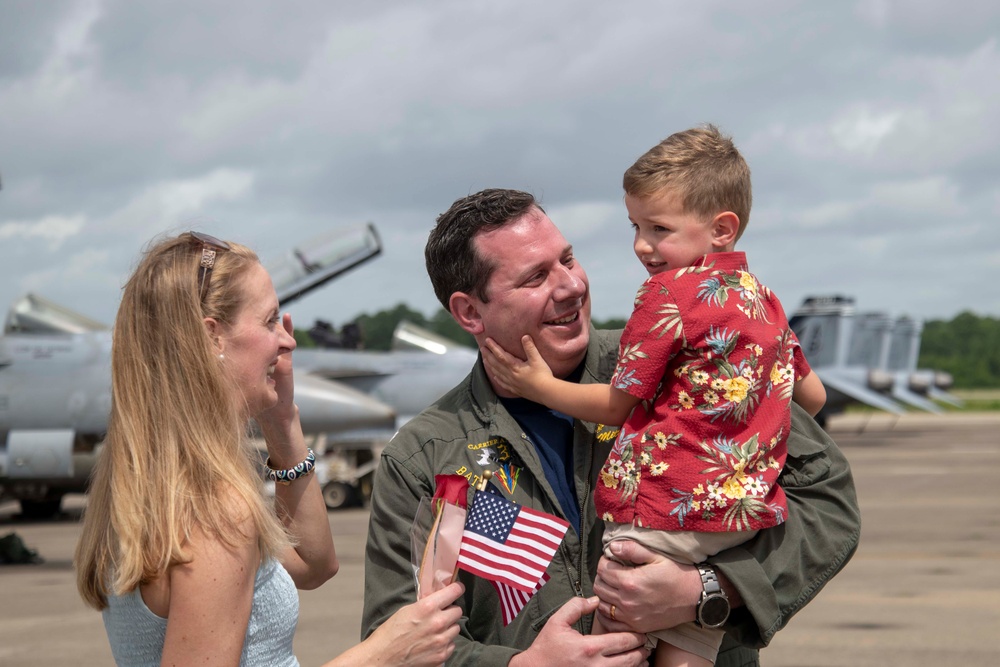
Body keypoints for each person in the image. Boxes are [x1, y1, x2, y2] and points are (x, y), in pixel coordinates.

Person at [361, 188, 861, 667]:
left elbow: (828, 506)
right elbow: (393, 638)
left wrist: (707, 589)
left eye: (568, 259)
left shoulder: (688, 360)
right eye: (535, 278)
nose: (572, 286)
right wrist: (522, 666)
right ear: (470, 312)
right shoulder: (424, 459)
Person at [480, 125, 826, 667]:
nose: (642, 245)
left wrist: (539, 386)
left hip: (662, 513)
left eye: (658, 228)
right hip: (736, 522)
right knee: (687, 641)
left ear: (721, 229)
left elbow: (618, 406)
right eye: (636, 226)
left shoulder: (667, 294)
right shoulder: (766, 300)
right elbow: (814, 397)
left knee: (614, 644)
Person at [75, 231, 464, 667]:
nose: (288, 341)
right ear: (213, 338)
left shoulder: (158, 493)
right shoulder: (214, 513)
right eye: (269, 321)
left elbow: (313, 564)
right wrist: (380, 655)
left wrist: (280, 420)